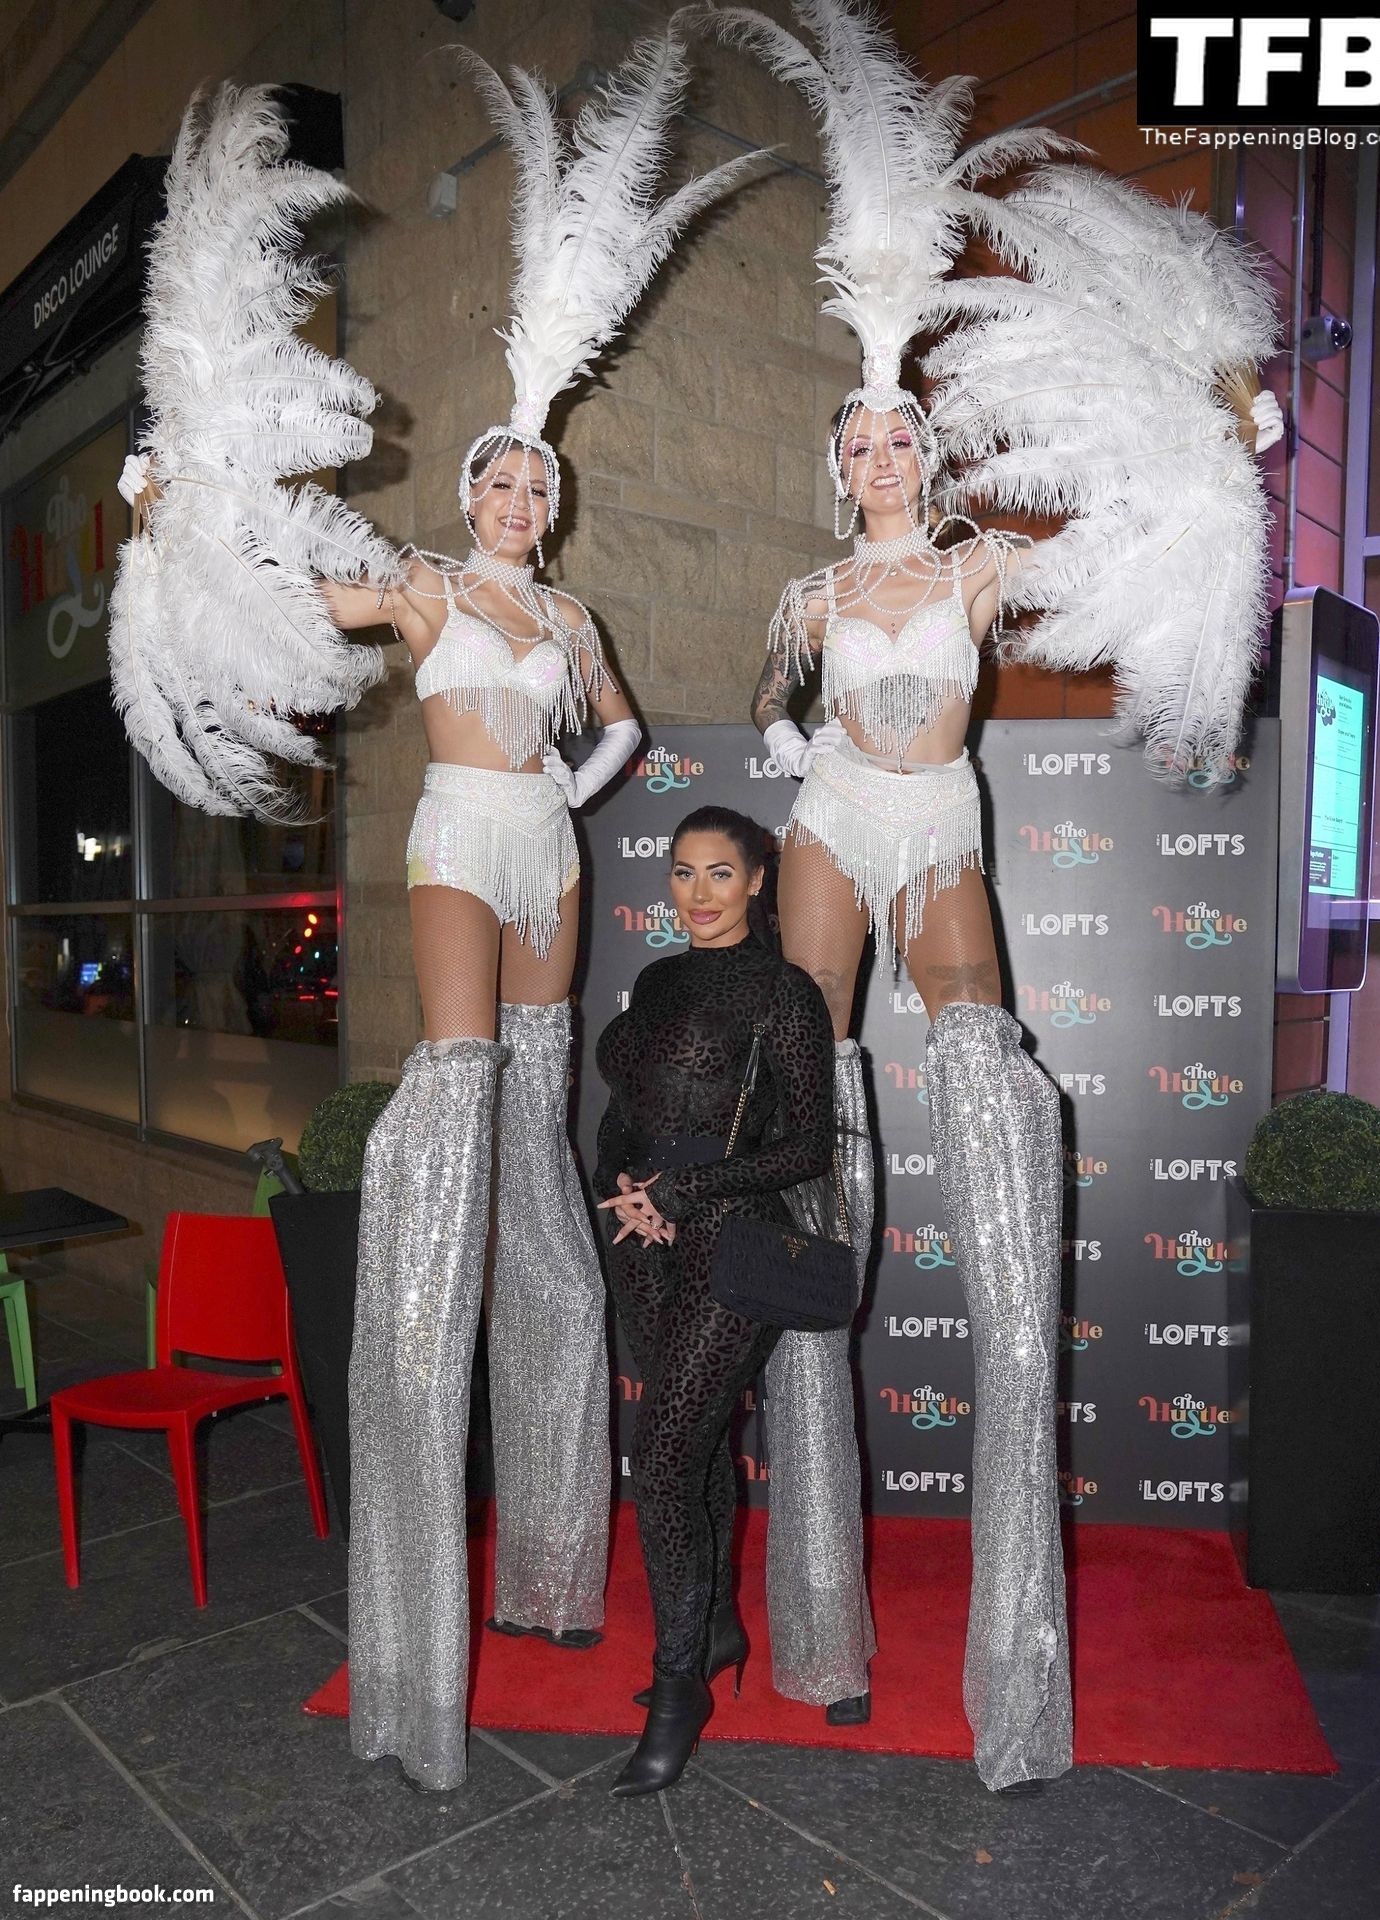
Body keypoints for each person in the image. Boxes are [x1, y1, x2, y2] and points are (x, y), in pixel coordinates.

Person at [108, 36, 764, 1797]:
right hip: (458, 843)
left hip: (546, 849)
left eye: (534, 487)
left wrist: (577, 787)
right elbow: (294, 595)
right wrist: (172, 514)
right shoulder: (417, 586)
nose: (515, 501)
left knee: (539, 1155)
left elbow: (616, 724)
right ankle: (410, 1605)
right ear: (469, 493)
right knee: (454, 1117)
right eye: (496, 483)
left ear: (553, 500)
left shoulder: (568, 618)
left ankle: (551, 1558)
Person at [721, 0, 1282, 1793]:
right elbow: (767, 706)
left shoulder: (971, 569)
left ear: (923, 452)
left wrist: (1221, 437)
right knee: (802, 1111)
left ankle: (1012, 1636)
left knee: (981, 1069)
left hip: (939, 819)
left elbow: (1114, 544)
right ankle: (814, 1609)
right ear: (836, 463)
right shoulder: (808, 600)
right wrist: (797, 760)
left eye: (901, 438)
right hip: (833, 820)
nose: (882, 458)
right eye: (860, 444)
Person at [594, 807, 836, 1795]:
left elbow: (807, 1146)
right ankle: (718, 1627)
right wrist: (625, 1189)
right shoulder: (658, 980)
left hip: (729, 1241)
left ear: (757, 880)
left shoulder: (784, 993)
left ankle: (676, 1685)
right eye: (683, 873)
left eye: (720, 874)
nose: (698, 894)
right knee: (689, 1451)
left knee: (658, 1463)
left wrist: (684, 1194)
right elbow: (629, 1112)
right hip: (641, 1241)